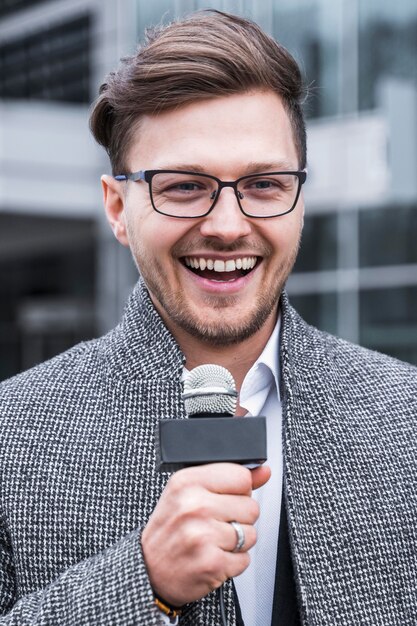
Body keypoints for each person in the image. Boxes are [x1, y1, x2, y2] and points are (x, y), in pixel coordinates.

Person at [0, 9, 416, 626]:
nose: (226, 226)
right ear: (117, 207)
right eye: (184, 185)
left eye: (266, 184)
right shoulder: (11, 437)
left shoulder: (405, 417)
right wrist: (141, 583)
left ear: (300, 199)